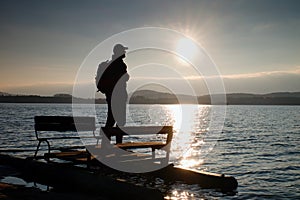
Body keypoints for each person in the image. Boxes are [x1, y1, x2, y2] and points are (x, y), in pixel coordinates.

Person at [101, 44, 129, 127]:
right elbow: (124, 78)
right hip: (118, 96)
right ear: (119, 52)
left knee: (111, 119)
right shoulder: (120, 65)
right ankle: (114, 140)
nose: (124, 52)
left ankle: (105, 139)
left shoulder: (111, 64)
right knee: (120, 121)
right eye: (123, 50)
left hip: (111, 95)